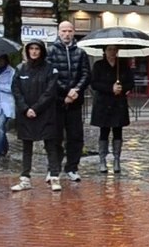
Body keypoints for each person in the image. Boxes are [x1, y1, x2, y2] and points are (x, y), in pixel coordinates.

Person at [10, 41, 63, 192]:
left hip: (46, 113)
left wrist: (36, 108)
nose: (34, 52)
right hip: (25, 115)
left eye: (37, 49)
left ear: (42, 51)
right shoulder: (21, 69)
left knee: (51, 146)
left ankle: (54, 176)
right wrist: (25, 108)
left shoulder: (50, 69)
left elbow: (50, 91)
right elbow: (16, 90)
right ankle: (25, 178)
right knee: (26, 147)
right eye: (31, 49)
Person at [48, 21, 90, 183]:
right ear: (59, 32)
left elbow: (86, 74)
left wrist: (76, 90)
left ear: (74, 32)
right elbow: (51, 75)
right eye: (64, 31)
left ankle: (72, 167)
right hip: (57, 101)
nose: (67, 34)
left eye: (70, 31)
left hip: (75, 101)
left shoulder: (80, 53)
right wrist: (66, 92)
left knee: (75, 136)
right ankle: (54, 167)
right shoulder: (51, 51)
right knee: (55, 136)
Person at [89, 46, 134, 174]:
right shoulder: (99, 65)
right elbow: (94, 83)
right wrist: (110, 88)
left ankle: (116, 160)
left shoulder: (123, 65)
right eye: (109, 50)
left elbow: (131, 82)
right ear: (104, 51)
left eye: (114, 50)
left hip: (118, 103)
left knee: (118, 131)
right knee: (104, 131)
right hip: (103, 103)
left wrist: (122, 88)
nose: (112, 52)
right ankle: (102, 160)